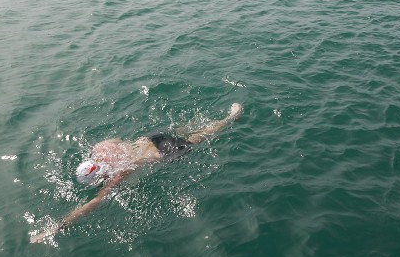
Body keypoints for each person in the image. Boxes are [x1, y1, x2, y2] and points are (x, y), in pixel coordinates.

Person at [30, 103, 244, 242]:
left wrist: (57, 227)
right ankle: (223, 118)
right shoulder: (100, 148)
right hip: (152, 137)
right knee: (186, 129)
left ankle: (231, 117)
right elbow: (118, 141)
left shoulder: (119, 173)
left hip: (164, 152)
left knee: (204, 135)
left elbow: (94, 203)